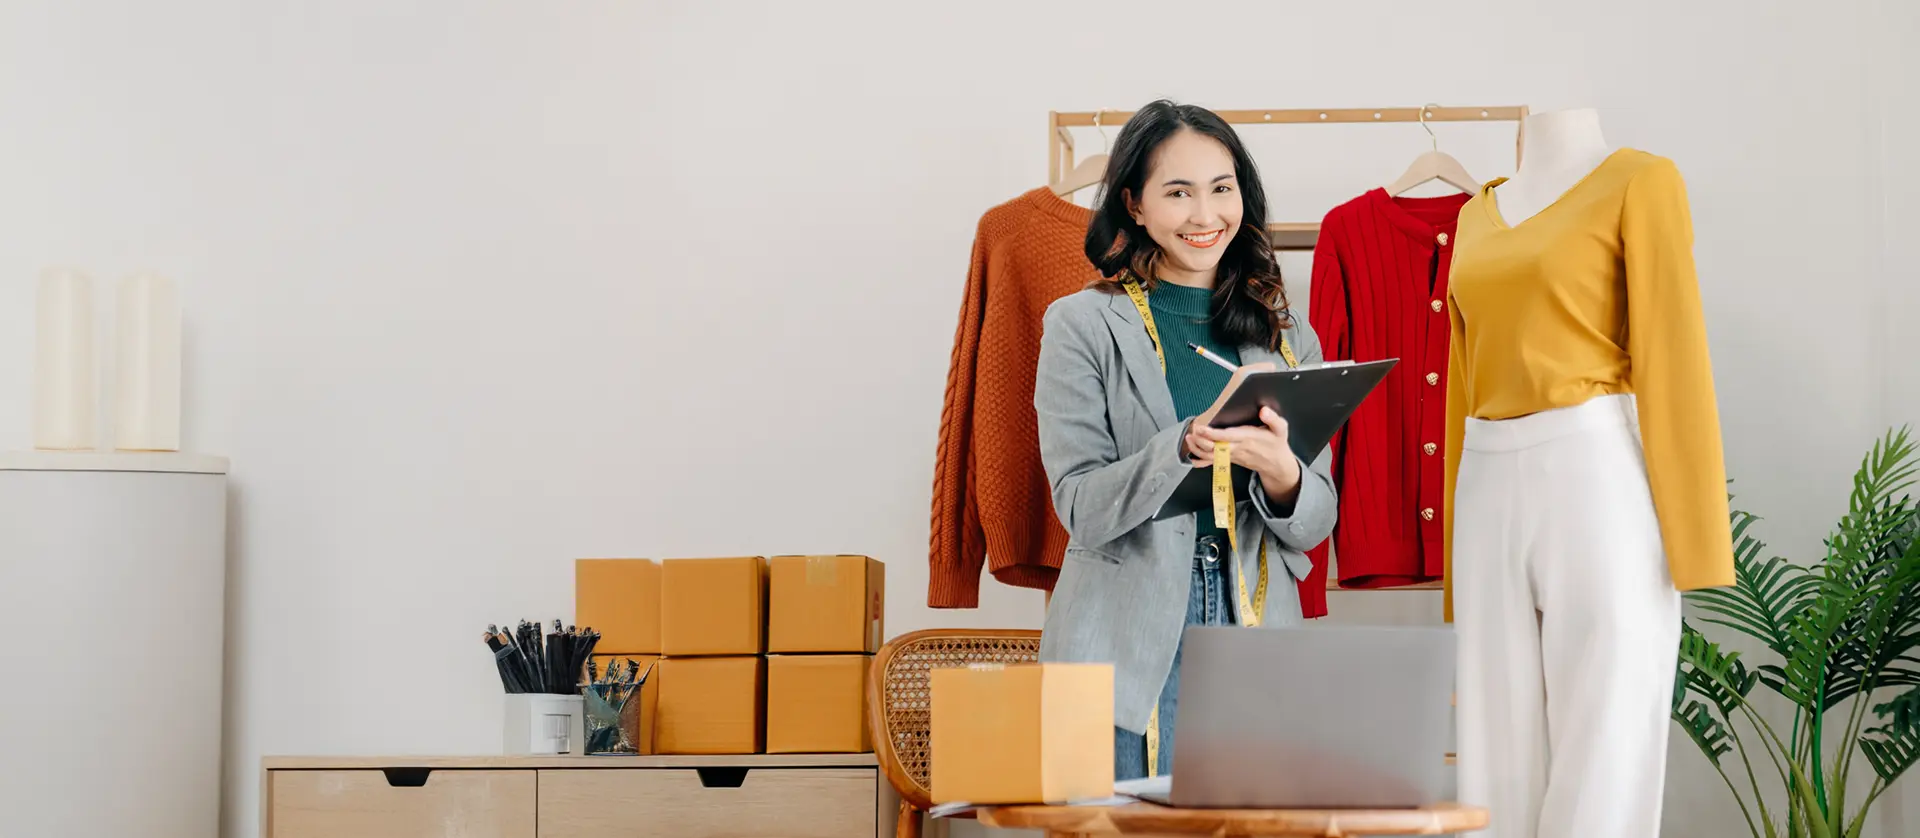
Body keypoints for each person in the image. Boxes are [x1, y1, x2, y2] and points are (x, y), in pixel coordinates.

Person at [1032, 100, 1337, 781]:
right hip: (1122, 636)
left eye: (1221, 189)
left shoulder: (1288, 338)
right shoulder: (1081, 325)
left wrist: (1285, 476)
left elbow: (1316, 525)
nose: (1206, 216)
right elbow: (1079, 505)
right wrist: (1177, 448)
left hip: (1253, 624)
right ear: (1135, 205)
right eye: (1179, 192)